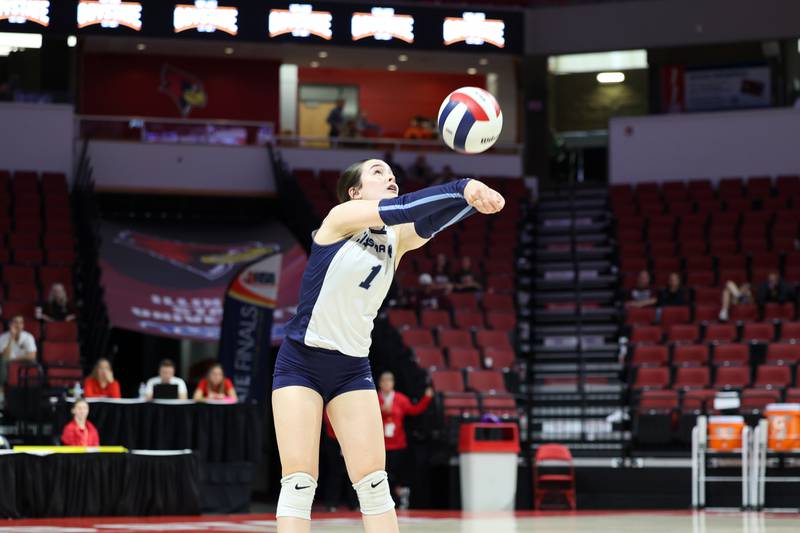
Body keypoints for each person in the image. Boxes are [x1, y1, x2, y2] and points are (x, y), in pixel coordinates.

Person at [271, 158, 504, 532]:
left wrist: (472, 201)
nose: (390, 178)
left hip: (352, 369)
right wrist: (465, 185)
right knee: (299, 482)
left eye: (392, 175)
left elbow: (430, 219)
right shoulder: (340, 218)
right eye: (378, 173)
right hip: (301, 363)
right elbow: (405, 208)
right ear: (355, 192)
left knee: (376, 485)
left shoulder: (396, 238)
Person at [378, 371, 433, 510]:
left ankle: (398, 499)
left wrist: (426, 398)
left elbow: (414, 410)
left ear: (393, 383)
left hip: (398, 444)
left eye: (389, 381)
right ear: (380, 383)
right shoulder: (375, 398)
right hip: (380, 445)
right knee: (382, 474)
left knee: (397, 474)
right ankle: (384, 501)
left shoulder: (400, 399)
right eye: (384, 381)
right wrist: (382, 411)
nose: (386, 384)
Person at [0, 315, 37, 388]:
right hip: (7, 362)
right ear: (10, 324)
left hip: (24, 361)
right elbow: (4, 356)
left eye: (21, 323)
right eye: (16, 322)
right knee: (2, 361)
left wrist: (13, 359)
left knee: (33, 361)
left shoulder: (28, 337)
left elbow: (32, 356)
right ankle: (2, 388)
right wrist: (11, 338)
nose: (18, 325)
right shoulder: (3, 337)